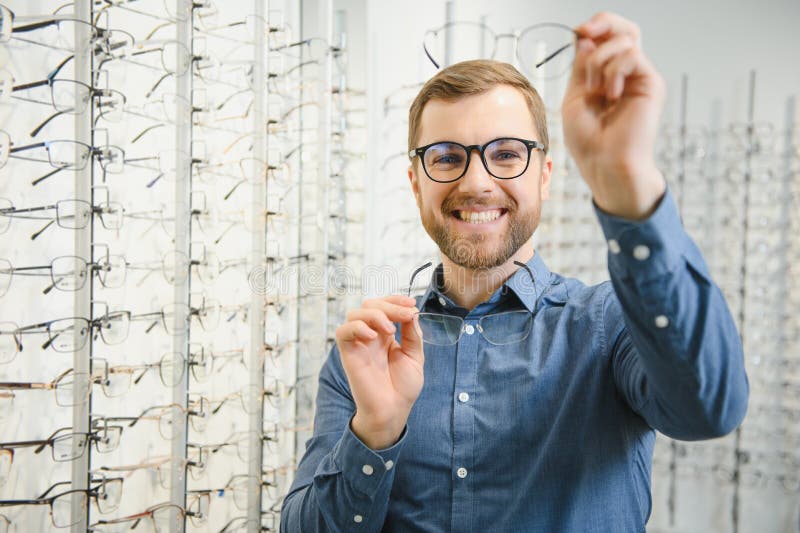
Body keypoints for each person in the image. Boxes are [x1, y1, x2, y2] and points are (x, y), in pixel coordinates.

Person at [280, 11, 748, 532]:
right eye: (446, 156)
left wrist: (629, 185)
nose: (477, 181)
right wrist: (375, 432)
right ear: (416, 184)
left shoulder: (608, 326)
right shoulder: (372, 349)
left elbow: (709, 409)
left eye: (506, 154)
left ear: (545, 176)